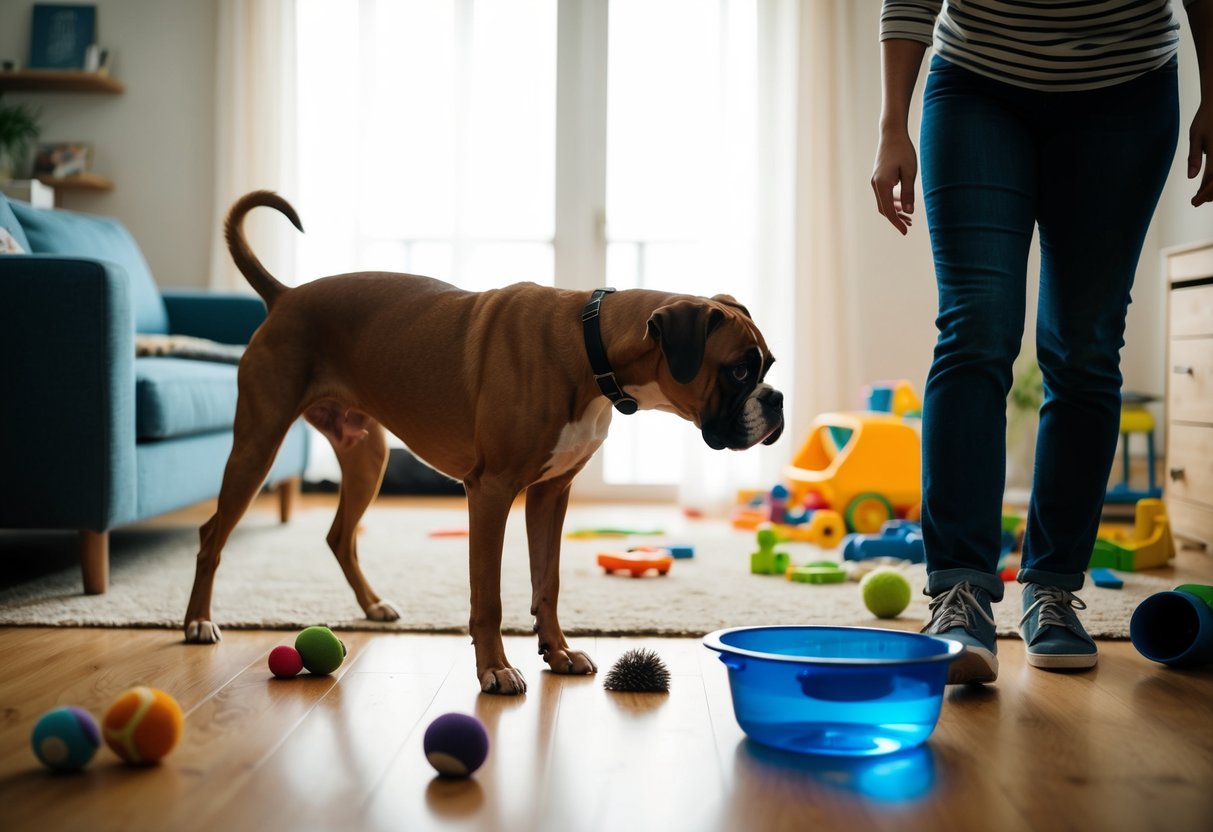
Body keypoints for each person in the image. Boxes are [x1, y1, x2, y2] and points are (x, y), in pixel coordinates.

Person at [871, 0, 1212, 684]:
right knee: (975, 327)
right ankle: (959, 592)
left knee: (1084, 347)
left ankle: (1052, 588)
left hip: (1127, 96)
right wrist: (891, 124)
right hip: (976, 84)